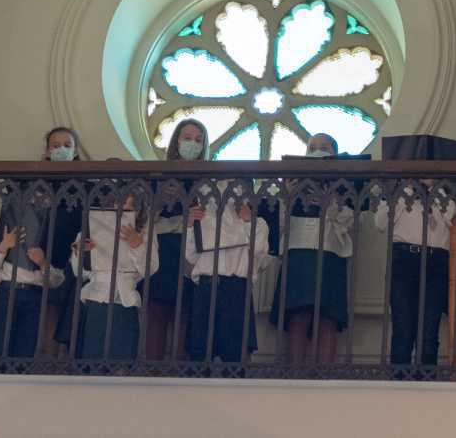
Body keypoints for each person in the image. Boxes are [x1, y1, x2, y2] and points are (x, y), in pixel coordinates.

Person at [270, 133, 355, 365]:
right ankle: (295, 376)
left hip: (329, 254)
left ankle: (325, 379)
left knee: (328, 317)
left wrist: (331, 205)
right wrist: (287, 196)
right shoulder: (292, 183)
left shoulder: (345, 186)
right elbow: (277, 226)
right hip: (298, 252)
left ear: (334, 154)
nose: (318, 151)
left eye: (325, 147)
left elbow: (349, 223)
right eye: (313, 147)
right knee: (298, 315)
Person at [374, 174, 456, 368]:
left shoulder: (446, 195)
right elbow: (380, 223)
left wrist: (435, 191)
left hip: (435, 260)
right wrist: (408, 190)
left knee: (429, 328)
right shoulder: (399, 193)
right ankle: (399, 380)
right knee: (403, 325)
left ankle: (426, 383)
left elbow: (452, 217)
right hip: (404, 259)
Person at [184, 180, 269, 364]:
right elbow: (189, 256)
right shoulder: (202, 219)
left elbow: (259, 252)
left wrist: (248, 221)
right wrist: (191, 225)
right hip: (206, 287)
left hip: (236, 289)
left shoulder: (258, 224)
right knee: (200, 353)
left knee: (236, 355)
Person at [144, 119, 208, 360]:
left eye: (197, 140)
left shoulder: (206, 178)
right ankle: (153, 368)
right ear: (176, 141)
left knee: (187, 312)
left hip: (192, 247)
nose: (191, 144)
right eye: (187, 138)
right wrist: (159, 202)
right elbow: (143, 216)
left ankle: (180, 370)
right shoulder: (157, 176)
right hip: (161, 247)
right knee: (156, 310)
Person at [71, 193, 158, 361]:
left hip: (125, 303)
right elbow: (79, 273)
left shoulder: (145, 232)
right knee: (92, 360)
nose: (119, 211)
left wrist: (137, 245)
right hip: (96, 300)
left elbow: (150, 269)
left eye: (126, 209)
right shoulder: (91, 228)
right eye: (115, 206)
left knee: (122, 363)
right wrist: (79, 253)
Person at [0, 217, 65, 358]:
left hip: (34, 297)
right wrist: (4, 245)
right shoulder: (9, 229)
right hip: (7, 293)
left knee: (25, 352)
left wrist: (42, 262)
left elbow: (57, 281)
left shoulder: (51, 233)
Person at [41, 127, 85, 356]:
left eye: (67, 145)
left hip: (76, 254)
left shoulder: (85, 184)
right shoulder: (39, 182)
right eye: (56, 145)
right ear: (47, 151)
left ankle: (66, 361)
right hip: (46, 251)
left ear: (75, 151)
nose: (61, 150)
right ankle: (48, 358)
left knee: (71, 310)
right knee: (50, 308)